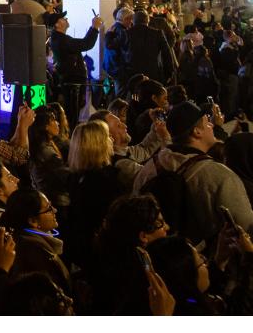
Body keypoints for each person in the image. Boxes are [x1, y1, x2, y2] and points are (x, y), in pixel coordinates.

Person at [133, 100, 253, 245]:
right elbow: (245, 228)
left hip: (159, 256)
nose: (212, 125)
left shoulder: (148, 168)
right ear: (197, 132)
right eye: (207, 122)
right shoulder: (219, 174)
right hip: (203, 262)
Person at [91, 194, 169, 315]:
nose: (167, 228)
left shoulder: (107, 257)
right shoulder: (142, 280)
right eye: (161, 224)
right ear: (143, 236)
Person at [65, 120, 122, 272]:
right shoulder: (105, 180)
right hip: (101, 254)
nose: (112, 140)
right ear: (97, 145)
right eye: (108, 137)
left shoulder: (76, 178)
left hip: (81, 251)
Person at [1, 188, 71, 295]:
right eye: (49, 209)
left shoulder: (24, 238)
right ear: (33, 221)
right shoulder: (37, 250)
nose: (55, 210)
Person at [47, 9, 102, 118]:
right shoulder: (61, 40)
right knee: (72, 113)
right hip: (72, 83)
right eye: (63, 18)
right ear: (57, 25)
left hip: (71, 81)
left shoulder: (59, 38)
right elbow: (86, 44)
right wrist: (94, 28)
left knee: (73, 112)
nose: (66, 19)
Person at [28, 105, 71, 213]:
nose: (58, 123)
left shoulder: (49, 144)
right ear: (45, 126)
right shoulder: (45, 151)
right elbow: (64, 176)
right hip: (55, 202)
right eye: (53, 120)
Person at [127, 9, 176, 86]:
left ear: (133, 21)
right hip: (154, 72)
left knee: (136, 95)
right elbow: (166, 54)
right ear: (148, 21)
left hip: (133, 74)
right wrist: (169, 72)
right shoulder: (157, 33)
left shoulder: (126, 34)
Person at [104, 6, 134, 99]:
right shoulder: (122, 31)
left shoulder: (113, 28)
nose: (131, 22)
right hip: (119, 68)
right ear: (126, 19)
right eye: (130, 19)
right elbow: (112, 46)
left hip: (112, 66)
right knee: (121, 95)